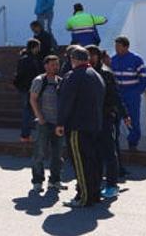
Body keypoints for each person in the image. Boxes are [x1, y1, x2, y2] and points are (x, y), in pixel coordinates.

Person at [56, 46, 105, 208]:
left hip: (78, 126)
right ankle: (94, 193)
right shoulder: (96, 75)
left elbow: (65, 102)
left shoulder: (73, 76)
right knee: (92, 161)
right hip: (94, 125)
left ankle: (84, 197)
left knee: (80, 163)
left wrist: (60, 122)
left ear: (73, 60)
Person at [86, 45, 130, 199]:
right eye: (88, 55)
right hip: (89, 121)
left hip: (105, 118)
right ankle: (94, 185)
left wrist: (124, 115)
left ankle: (112, 185)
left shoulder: (106, 73)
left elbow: (116, 96)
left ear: (98, 56)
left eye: (93, 55)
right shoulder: (83, 73)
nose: (90, 58)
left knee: (109, 153)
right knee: (93, 154)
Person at [29, 55, 65, 192]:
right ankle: (37, 182)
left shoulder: (61, 81)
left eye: (57, 64)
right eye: (52, 64)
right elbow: (32, 99)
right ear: (46, 66)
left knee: (58, 154)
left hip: (58, 124)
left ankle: (55, 180)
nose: (55, 67)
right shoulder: (39, 80)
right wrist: (40, 118)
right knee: (39, 153)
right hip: (43, 124)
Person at [111, 35, 146, 152]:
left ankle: (133, 143)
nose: (116, 48)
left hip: (132, 93)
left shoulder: (137, 59)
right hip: (118, 94)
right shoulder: (113, 60)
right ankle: (114, 143)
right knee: (114, 118)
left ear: (126, 47)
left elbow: (144, 77)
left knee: (133, 118)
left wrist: (137, 92)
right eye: (115, 46)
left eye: (119, 46)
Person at [14, 39, 42, 143]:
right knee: (29, 112)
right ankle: (25, 135)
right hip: (31, 88)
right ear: (34, 47)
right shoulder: (32, 59)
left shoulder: (23, 59)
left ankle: (26, 135)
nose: (39, 49)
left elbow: (19, 75)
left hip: (24, 88)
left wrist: (18, 85)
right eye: (38, 47)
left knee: (28, 111)